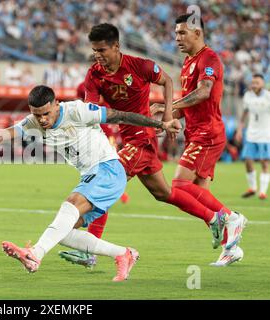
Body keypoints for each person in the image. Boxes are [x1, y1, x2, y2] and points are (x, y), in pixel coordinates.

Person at [0, 85, 182, 281]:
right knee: (64, 233)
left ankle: (35, 254)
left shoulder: (77, 111)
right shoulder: (34, 122)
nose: (42, 120)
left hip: (108, 168)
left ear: (56, 104)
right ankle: (124, 254)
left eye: (46, 114)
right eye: (37, 115)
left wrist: (161, 124)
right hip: (91, 175)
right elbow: (0, 134)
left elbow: (119, 115)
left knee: (70, 204)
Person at [60, 23, 243, 268]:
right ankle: (214, 219)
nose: (98, 55)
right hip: (131, 140)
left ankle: (88, 247)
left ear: (116, 46)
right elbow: (90, 111)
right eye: (95, 50)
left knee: (106, 182)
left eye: (102, 50)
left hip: (142, 139)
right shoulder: (94, 74)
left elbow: (167, 81)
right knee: (163, 193)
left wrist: (168, 115)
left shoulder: (139, 66)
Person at [152, 14, 247, 267]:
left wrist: (168, 106)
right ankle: (231, 248)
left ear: (197, 33)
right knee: (199, 195)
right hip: (195, 133)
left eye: (182, 33)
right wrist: (166, 117)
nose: (177, 38)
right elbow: (187, 105)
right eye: (175, 34)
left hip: (208, 134)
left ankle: (230, 218)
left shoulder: (210, 58)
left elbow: (203, 93)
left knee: (179, 186)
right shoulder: (187, 63)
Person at [235, 74, 270, 200]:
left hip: (266, 134)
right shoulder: (247, 96)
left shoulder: (268, 96)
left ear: (263, 83)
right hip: (251, 133)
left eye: (257, 82)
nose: (254, 84)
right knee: (248, 161)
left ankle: (262, 191)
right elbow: (244, 114)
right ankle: (253, 188)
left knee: (264, 162)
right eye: (253, 82)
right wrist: (239, 129)